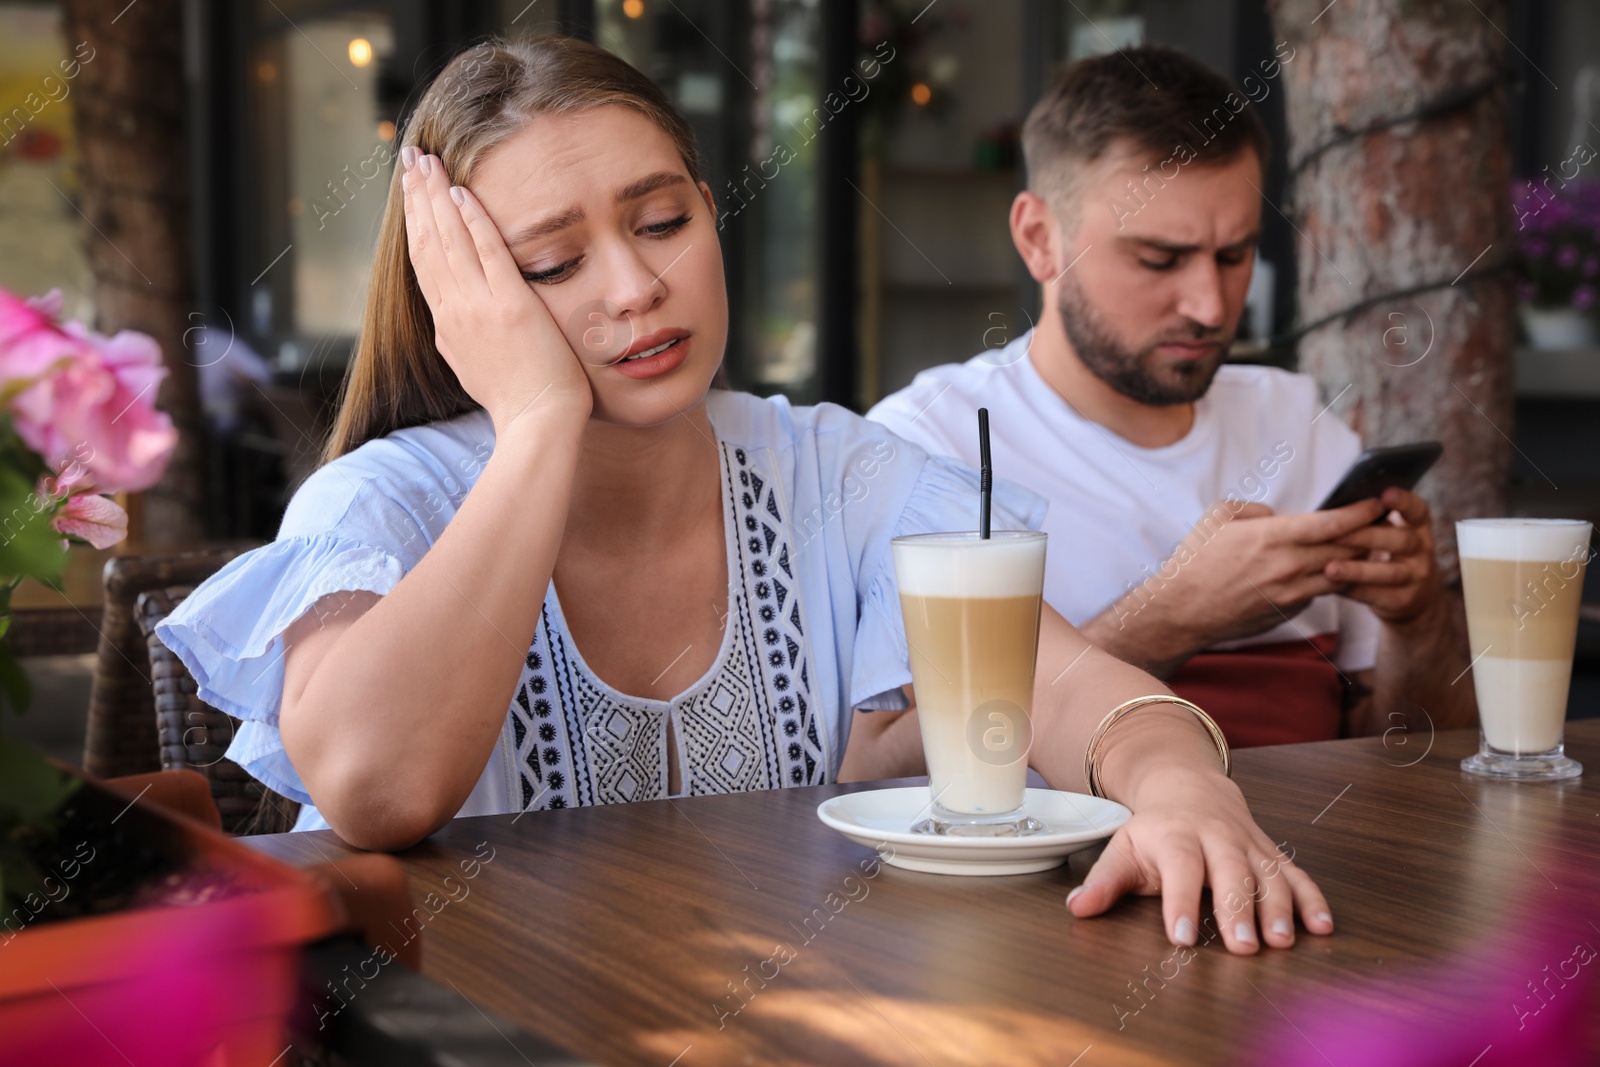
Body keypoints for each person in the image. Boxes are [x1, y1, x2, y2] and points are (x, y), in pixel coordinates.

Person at [159, 35, 1331, 954]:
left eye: (664, 220)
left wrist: (1184, 789)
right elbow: (374, 785)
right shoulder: (379, 504)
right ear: (463, 301)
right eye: (554, 264)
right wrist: (538, 426)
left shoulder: (839, 470)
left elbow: (1074, 688)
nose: (635, 285)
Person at [869, 45, 1474, 749]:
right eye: (1159, 259)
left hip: (1317, 848)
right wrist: (1177, 613)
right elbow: (885, 766)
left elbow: (1410, 761)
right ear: (1040, 240)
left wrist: (1418, 624)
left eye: (1234, 255)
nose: (1211, 306)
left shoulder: (1295, 422)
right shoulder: (929, 445)